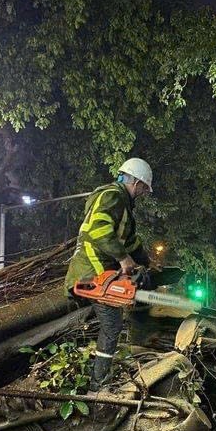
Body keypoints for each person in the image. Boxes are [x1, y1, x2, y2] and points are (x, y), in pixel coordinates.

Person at [66, 158, 153, 389]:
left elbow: (132, 243)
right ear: (134, 181)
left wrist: (147, 263)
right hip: (92, 271)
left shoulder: (123, 205)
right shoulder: (112, 196)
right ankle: (99, 383)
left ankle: (91, 374)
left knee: (107, 323)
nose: (143, 193)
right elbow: (99, 230)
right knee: (113, 324)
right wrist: (123, 259)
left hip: (100, 271)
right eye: (143, 187)